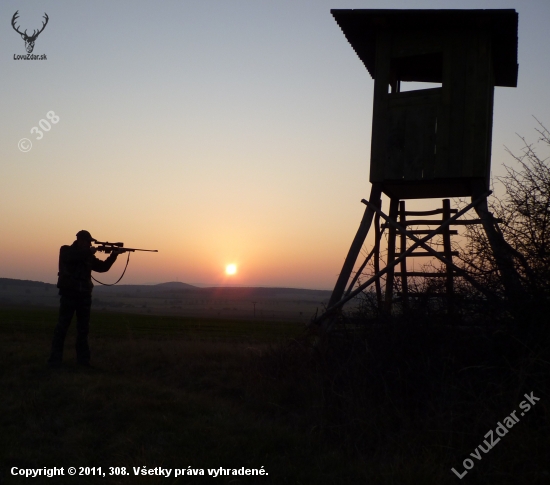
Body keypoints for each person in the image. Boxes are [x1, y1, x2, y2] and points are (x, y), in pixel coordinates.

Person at [48, 230, 121, 366]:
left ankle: (83, 362)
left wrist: (113, 255)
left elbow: (102, 268)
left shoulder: (87, 256)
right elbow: (71, 257)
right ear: (80, 241)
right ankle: (55, 360)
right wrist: (90, 251)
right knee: (62, 328)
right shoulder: (66, 250)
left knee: (83, 329)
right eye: (87, 242)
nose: (89, 244)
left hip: (84, 296)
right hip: (69, 294)